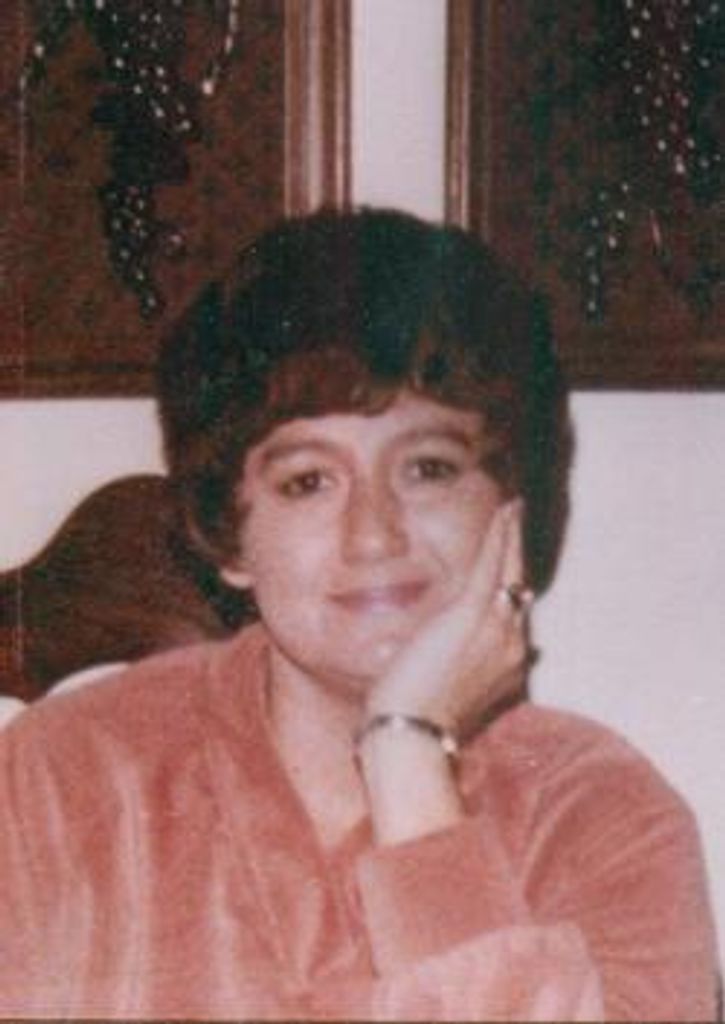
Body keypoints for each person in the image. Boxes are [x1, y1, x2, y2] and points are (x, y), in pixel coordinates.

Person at [0, 208, 718, 1020]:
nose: (373, 534)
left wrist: (407, 757)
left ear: (512, 510)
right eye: (307, 481)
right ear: (230, 534)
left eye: (428, 469)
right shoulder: (59, 778)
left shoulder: (602, 815)